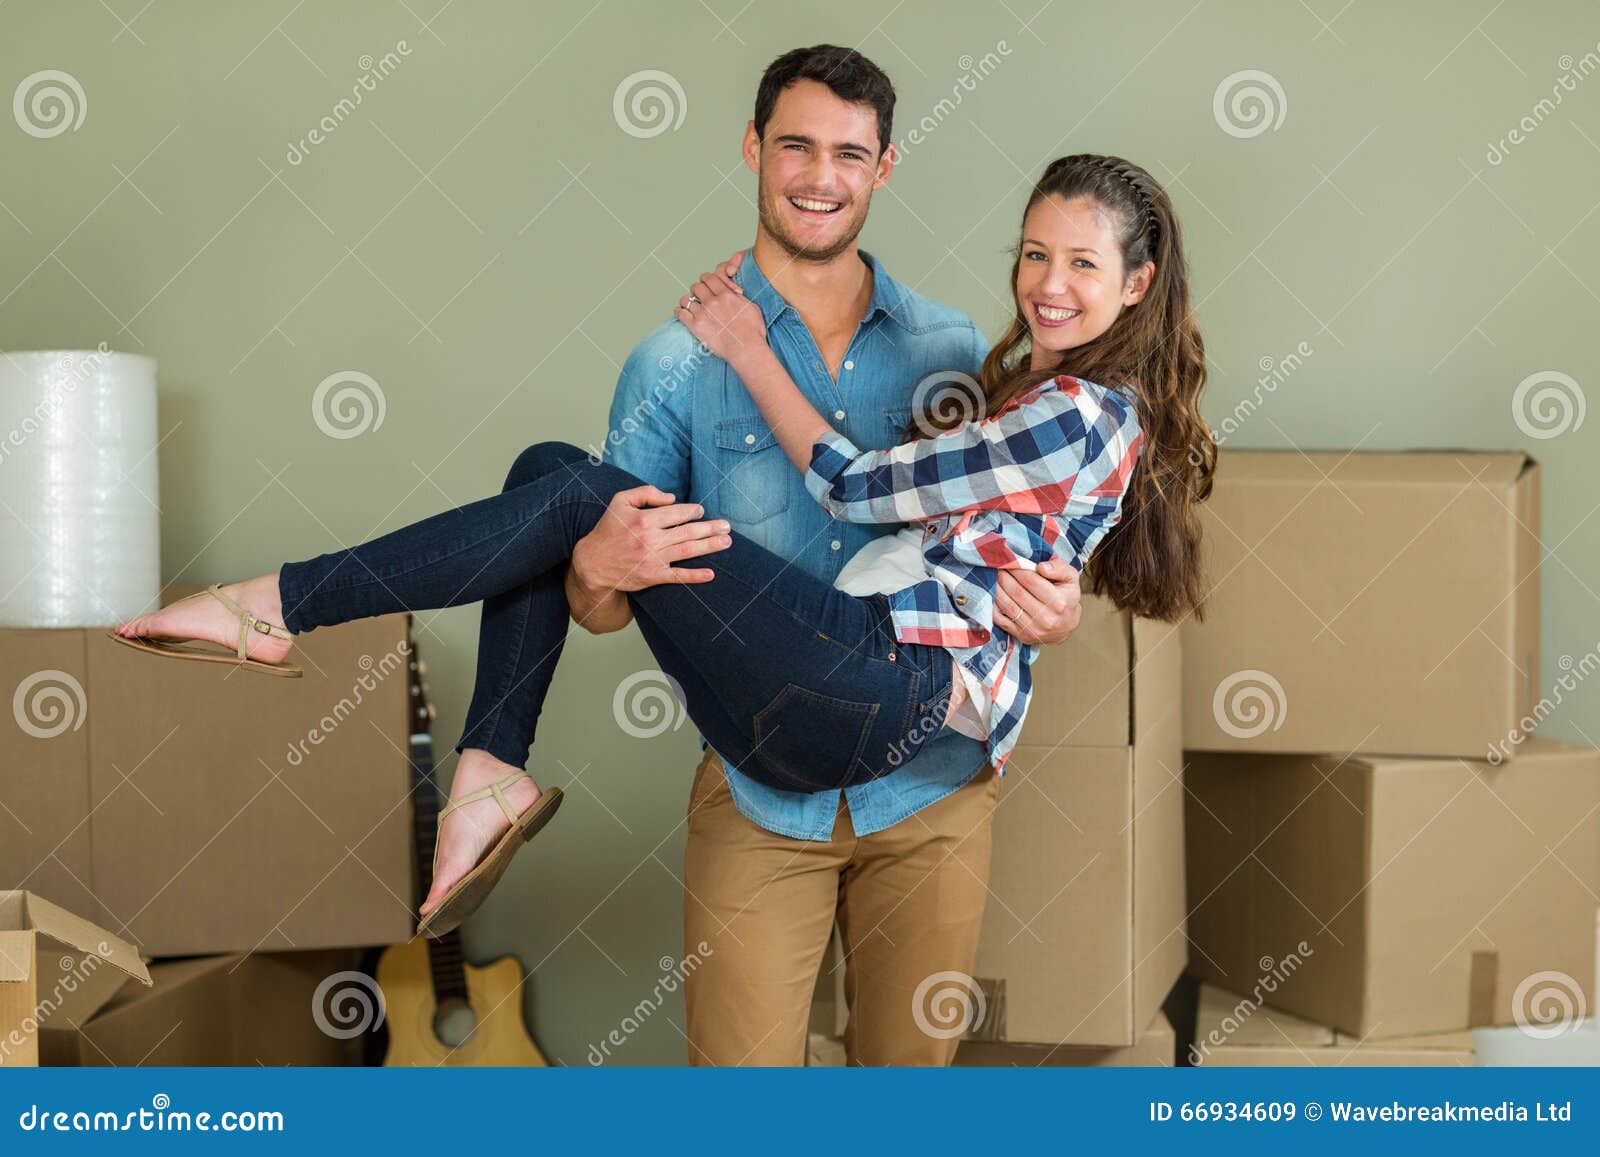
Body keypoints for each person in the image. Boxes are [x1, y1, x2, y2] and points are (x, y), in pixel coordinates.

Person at [109, 46, 1216, 1066]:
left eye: (846, 152)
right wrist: (604, 559)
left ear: (884, 165)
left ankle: (365, 671)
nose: (818, 175)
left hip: (919, 781)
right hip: (762, 765)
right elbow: (592, 599)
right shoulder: (673, 362)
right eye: (794, 144)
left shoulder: (952, 352)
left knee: (903, 1099)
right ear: (752, 149)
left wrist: (1058, 613)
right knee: (563, 482)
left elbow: (958, 526)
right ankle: (457, 747)